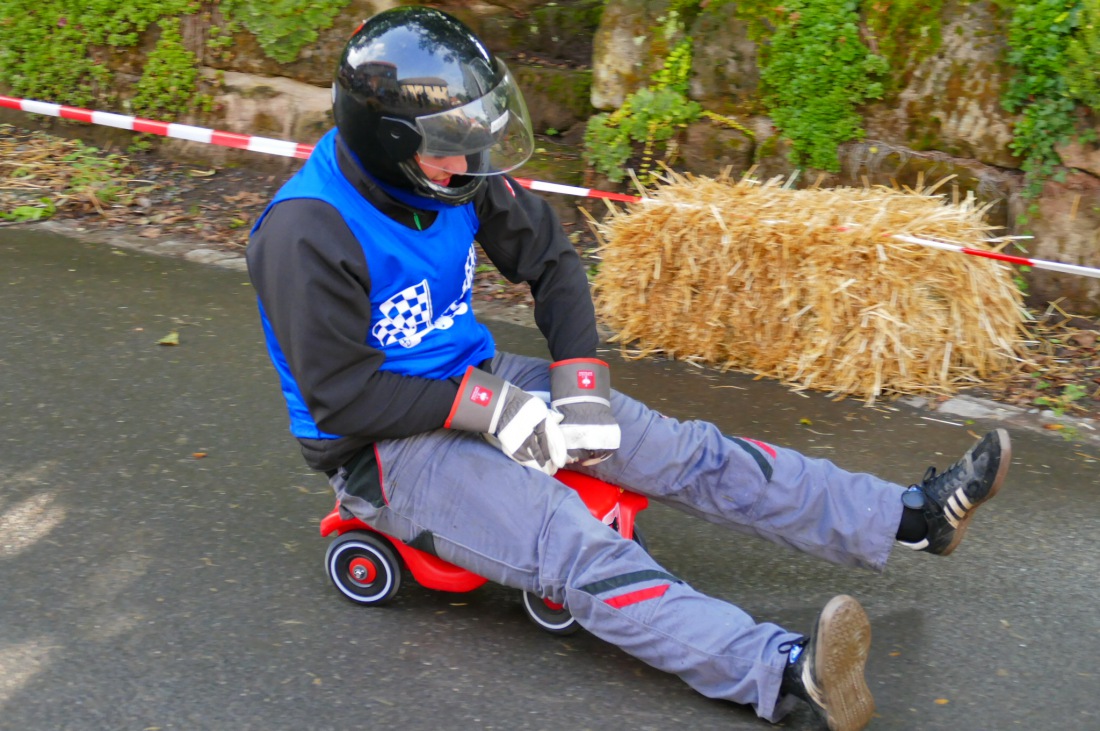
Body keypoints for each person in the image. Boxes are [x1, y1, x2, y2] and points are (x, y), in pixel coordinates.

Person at [246, 7, 1011, 731]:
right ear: (385, 141)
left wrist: (579, 386)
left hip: (469, 384)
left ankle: (906, 517)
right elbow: (344, 396)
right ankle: (784, 677)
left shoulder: (450, 176)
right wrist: (490, 408)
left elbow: (549, 260)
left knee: (682, 449)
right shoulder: (306, 232)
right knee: (571, 543)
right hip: (379, 448)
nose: (469, 159)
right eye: (447, 143)